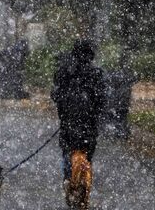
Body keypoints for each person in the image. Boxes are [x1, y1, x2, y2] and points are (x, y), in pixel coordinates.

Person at [51, 39, 106, 209]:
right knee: (87, 154)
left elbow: (55, 95)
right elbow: (101, 100)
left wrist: (65, 108)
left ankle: (68, 179)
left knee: (67, 151)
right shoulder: (96, 74)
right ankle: (83, 183)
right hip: (89, 124)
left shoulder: (64, 72)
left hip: (68, 122)